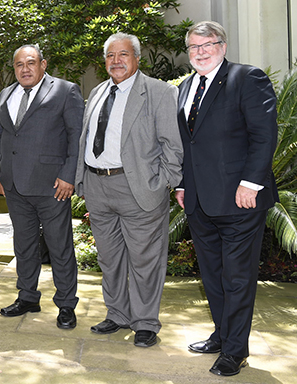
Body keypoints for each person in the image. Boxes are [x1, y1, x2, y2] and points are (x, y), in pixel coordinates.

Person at [175, 21, 278, 377]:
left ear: (223, 45)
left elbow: (264, 135)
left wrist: (251, 184)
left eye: (208, 44)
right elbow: (190, 145)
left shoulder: (247, 78)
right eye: (193, 47)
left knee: (236, 278)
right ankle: (222, 334)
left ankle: (236, 351)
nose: (200, 52)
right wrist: (182, 186)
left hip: (240, 200)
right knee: (213, 274)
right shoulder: (186, 86)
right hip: (199, 200)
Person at [74, 33, 182, 347]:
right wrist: (83, 181)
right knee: (109, 259)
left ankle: (146, 322)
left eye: (123, 54)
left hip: (138, 188)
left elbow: (173, 147)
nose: (116, 61)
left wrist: (161, 182)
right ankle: (117, 314)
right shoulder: (96, 92)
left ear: (136, 58)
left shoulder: (159, 92)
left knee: (145, 260)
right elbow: (86, 139)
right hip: (98, 186)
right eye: (110, 55)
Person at [0, 44, 83, 327]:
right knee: (24, 245)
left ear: (43, 64)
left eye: (31, 63)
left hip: (52, 186)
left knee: (59, 247)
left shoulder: (65, 90)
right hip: (15, 186)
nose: (25, 69)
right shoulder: (7, 94)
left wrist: (69, 175)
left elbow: (76, 135)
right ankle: (28, 296)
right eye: (19, 64)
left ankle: (66, 303)